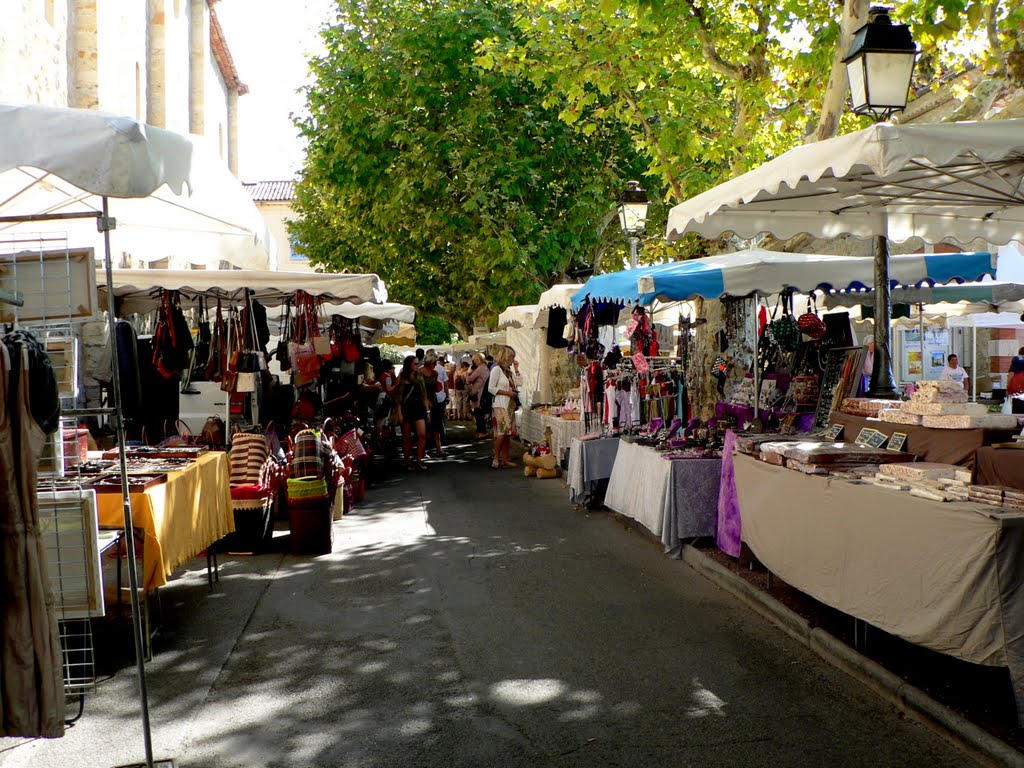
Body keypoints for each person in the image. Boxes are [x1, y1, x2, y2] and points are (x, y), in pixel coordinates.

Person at [395, 355, 430, 471]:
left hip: (418, 407)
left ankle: (419, 460)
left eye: (418, 363)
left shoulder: (419, 377)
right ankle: (408, 461)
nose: (417, 366)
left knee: (422, 435)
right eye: (415, 364)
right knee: (406, 437)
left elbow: (424, 395)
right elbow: (398, 398)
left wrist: (427, 411)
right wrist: (399, 413)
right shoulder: (402, 377)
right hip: (406, 408)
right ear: (409, 364)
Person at [488, 345, 519, 469]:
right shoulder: (496, 370)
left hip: (509, 405)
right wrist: (507, 393)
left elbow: (519, 383)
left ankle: (505, 458)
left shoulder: (508, 371)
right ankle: (496, 457)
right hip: (500, 404)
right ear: (507, 357)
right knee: (502, 432)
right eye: (511, 357)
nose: (513, 360)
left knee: (507, 433)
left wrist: (516, 369)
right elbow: (491, 388)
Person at [421, 349, 448, 457]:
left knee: (436, 425)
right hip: (423, 400)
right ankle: (424, 449)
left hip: (434, 399)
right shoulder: (420, 372)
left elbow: (438, 387)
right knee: (425, 427)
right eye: (434, 363)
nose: (435, 365)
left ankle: (438, 448)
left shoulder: (435, 373)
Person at [467, 352, 490, 437]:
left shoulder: (480, 368)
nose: (474, 362)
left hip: (477, 392)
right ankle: (481, 431)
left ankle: (482, 431)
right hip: (482, 392)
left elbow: (469, 379)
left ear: (477, 359)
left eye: (474, 360)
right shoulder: (486, 368)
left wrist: (467, 374)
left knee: (478, 413)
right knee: (479, 413)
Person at [1006, 346, 1024, 413]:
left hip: (1017, 388)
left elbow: (1011, 374)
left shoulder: (1016, 360)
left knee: (1017, 408)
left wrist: (1008, 388)